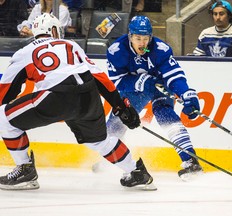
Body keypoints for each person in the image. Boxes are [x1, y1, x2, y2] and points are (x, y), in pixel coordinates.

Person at [0, 13, 155, 191]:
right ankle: (136, 171)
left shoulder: (25, 52)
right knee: (99, 141)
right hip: (89, 96)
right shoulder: (71, 45)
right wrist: (119, 106)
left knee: (4, 118)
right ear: (54, 31)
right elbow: (99, 77)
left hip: (57, 95)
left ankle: (25, 170)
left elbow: (7, 87)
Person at [106, 15, 202, 180]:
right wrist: (140, 82)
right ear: (130, 36)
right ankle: (108, 159)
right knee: (116, 124)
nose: (142, 43)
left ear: (151, 37)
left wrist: (186, 93)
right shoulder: (117, 51)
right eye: (138, 38)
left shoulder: (160, 49)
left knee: (166, 114)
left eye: (145, 38)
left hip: (159, 86)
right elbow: (117, 81)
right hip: (133, 89)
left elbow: (174, 74)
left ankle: (191, 161)